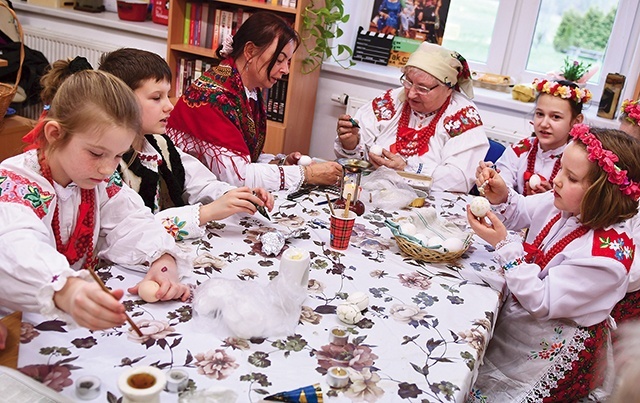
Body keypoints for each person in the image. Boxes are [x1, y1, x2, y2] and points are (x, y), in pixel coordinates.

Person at [0, 70, 190, 331]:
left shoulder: (94, 180)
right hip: (17, 322)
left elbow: (132, 222)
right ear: (55, 134)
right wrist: (66, 290)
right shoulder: (16, 184)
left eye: (117, 156)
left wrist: (162, 260)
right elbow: (15, 247)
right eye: (96, 153)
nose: (107, 169)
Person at [468, 124, 640, 401]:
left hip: (548, 341)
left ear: (602, 193)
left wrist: (504, 245)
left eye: (571, 177)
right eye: (560, 169)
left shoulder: (605, 259)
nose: (557, 180)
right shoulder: (568, 201)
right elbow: (523, 210)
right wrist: (502, 196)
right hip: (523, 319)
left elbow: (541, 300)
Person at [97, 48, 274, 241]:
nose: (169, 106)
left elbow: (199, 183)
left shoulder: (159, 144)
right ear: (122, 101)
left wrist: (237, 196)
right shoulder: (110, 164)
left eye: (167, 95)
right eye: (157, 98)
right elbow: (135, 229)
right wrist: (206, 212)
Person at [166, 12, 342, 192]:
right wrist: (305, 174)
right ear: (250, 51)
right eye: (280, 60)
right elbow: (238, 177)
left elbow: (245, 158)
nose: (285, 69)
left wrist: (281, 163)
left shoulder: (246, 91)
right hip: (188, 198)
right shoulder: (214, 98)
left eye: (287, 61)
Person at [335, 41, 489, 193]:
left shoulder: (463, 117)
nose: (411, 93)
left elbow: (458, 179)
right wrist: (351, 143)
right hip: (375, 194)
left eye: (422, 88)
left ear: (448, 89)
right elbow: (355, 161)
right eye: (408, 81)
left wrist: (407, 169)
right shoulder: (391, 101)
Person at [486, 79, 590, 195]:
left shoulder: (578, 161)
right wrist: (491, 181)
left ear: (576, 121)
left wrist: (550, 199)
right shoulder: (519, 150)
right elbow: (502, 187)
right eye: (540, 114)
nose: (544, 124)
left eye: (555, 117)